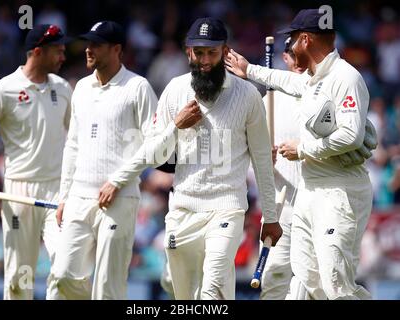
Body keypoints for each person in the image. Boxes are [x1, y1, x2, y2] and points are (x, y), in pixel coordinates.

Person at [98, 17, 282, 300]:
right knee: (183, 296)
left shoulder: (247, 96)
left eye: (212, 52)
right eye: (199, 52)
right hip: (182, 209)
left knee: (211, 293)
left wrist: (270, 216)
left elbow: (261, 160)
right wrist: (176, 126)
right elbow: (155, 154)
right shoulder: (175, 89)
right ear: (188, 52)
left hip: (226, 209)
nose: (205, 60)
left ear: (225, 51)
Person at [225, 8, 376, 299]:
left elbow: (351, 135)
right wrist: (250, 70)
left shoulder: (346, 77)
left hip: (340, 189)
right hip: (311, 190)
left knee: (336, 283)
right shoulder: (313, 80)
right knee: (310, 278)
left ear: (305, 40)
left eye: (293, 40)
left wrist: (303, 149)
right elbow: (288, 82)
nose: (291, 47)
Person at [47, 21, 158, 300]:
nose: (88, 49)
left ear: (116, 49)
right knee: (61, 275)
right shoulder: (82, 88)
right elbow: (72, 144)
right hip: (79, 198)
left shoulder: (137, 87)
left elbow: (154, 145)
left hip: (119, 200)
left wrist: (118, 181)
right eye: (88, 44)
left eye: (96, 45)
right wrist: (64, 196)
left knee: (108, 288)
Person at [0, 24, 72, 300]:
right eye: (58, 51)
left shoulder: (62, 89)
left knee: (67, 269)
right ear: (37, 52)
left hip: (58, 191)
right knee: (18, 278)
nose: (63, 57)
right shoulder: (4, 90)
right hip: (18, 192)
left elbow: (75, 140)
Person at [259, 38, 307, 299]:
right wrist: (264, 157)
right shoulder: (269, 100)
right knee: (273, 276)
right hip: (281, 204)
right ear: (285, 58)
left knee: (314, 282)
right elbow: (252, 157)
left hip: (317, 201)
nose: (297, 59)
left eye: (302, 53)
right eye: (291, 54)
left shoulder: (327, 91)